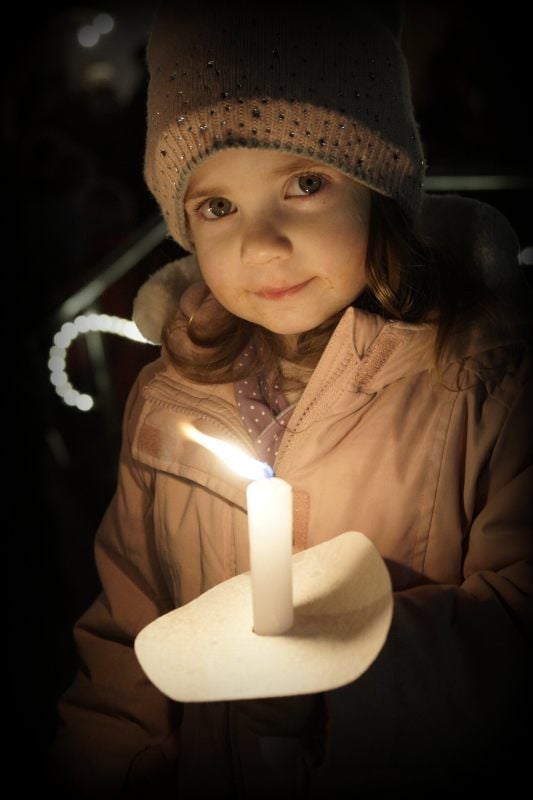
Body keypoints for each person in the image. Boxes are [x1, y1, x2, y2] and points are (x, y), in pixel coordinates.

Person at [49, 2, 532, 797]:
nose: (259, 244)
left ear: (377, 187)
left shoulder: (482, 382)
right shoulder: (169, 402)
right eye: (217, 206)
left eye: (304, 183)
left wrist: (334, 678)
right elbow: (128, 632)